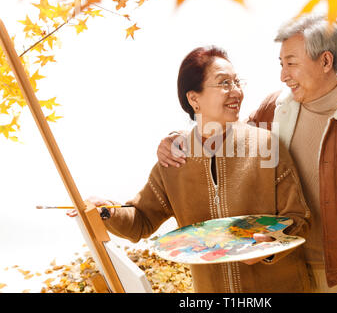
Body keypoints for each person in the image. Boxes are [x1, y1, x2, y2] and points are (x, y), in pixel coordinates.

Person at [157, 15, 337, 293]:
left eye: (291, 63)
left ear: (325, 62)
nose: (283, 75)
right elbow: (224, 138)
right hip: (288, 274)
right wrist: (176, 140)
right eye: (281, 64)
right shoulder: (273, 110)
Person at [68, 46, 312, 293]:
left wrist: (271, 246)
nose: (236, 91)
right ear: (194, 99)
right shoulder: (175, 159)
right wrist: (105, 211)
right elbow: (140, 221)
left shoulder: (266, 145)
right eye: (224, 83)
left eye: (237, 82)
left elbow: (298, 217)